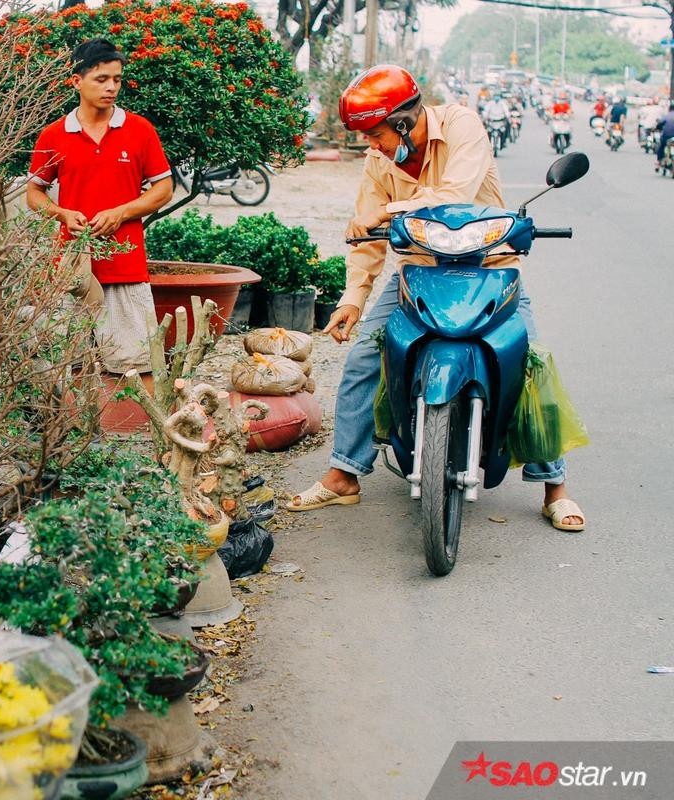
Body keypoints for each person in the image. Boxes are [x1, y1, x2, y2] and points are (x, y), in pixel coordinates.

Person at [285, 64, 586, 532]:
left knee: (532, 361)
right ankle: (344, 473)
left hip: (490, 265)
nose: (373, 145)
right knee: (366, 354)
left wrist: (383, 211)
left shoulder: (463, 125)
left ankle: (554, 486)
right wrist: (351, 299)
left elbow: (454, 194)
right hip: (420, 270)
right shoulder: (379, 161)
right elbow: (368, 235)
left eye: (376, 134)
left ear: (403, 122)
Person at [26, 38, 174, 383]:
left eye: (117, 79)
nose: (111, 87)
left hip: (126, 268)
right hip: (71, 271)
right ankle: (80, 435)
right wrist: (62, 213)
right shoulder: (54, 135)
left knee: (140, 365)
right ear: (76, 81)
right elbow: (34, 193)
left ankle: (147, 435)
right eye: (101, 79)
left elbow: (163, 189)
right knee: (69, 366)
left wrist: (121, 212)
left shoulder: (139, 130)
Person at [656, 103, 674, 168]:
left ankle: (658, 161)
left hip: (666, 137)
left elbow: (659, 124)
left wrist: (658, 128)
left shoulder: (667, 116)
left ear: (669, 109)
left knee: (661, 146)